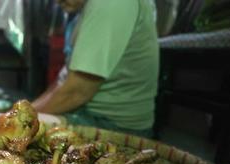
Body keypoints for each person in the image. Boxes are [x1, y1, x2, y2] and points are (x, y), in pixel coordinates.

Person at [32, 0, 159, 138]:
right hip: (85, 112)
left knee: (21, 133)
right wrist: (21, 112)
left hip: (114, 125)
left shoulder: (110, 3)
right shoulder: (84, 11)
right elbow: (63, 81)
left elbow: (77, 91)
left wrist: (18, 118)